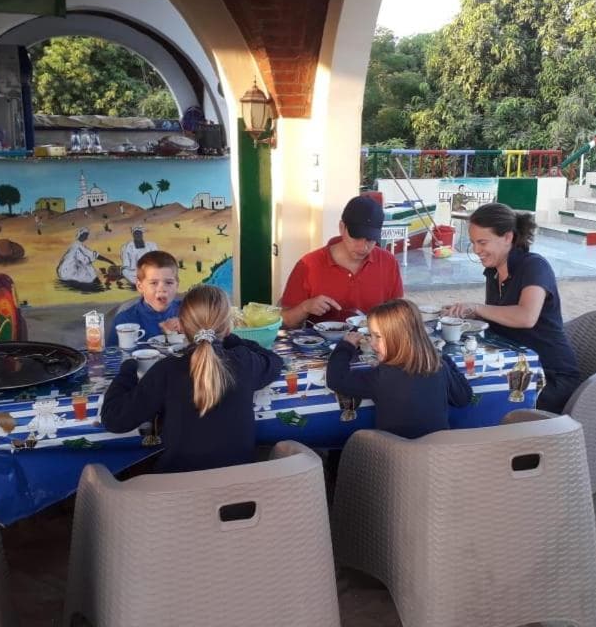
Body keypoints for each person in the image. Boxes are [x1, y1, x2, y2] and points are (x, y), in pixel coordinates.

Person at [101, 284, 283, 473]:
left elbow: (114, 419)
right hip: (239, 486)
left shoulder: (166, 370)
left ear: (181, 327)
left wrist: (128, 369)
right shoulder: (244, 362)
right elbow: (274, 360)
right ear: (228, 327)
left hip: (179, 487)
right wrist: (229, 339)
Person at [443, 202, 580, 413]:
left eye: (482, 242)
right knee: (455, 387)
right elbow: (500, 319)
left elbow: (526, 317)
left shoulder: (534, 266)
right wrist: (467, 314)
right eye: (473, 243)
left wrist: (477, 307)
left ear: (508, 237)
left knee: (471, 402)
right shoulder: (494, 272)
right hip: (514, 368)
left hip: (548, 377)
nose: (476, 250)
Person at [327, 298, 472, 438]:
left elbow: (336, 379)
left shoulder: (381, 376)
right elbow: (463, 398)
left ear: (401, 338)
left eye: (377, 337)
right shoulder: (439, 367)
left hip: (395, 453)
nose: (372, 343)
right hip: (436, 452)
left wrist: (346, 346)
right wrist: (445, 359)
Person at [280, 195, 403, 328]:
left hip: (373, 339)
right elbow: (285, 321)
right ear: (342, 227)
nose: (363, 247)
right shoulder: (308, 265)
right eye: (356, 237)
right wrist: (305, 307)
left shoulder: (388, 262)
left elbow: (399, 314)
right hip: (320, 341)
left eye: (370, 239)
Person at [109, 250, 182, 346]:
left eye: (169, 282)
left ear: (177, 285)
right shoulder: (125, 320)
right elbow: (111, 353)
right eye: (154, 283)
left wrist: (189, 328)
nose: (162, 289)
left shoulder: (189, 312)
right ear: (140, 286)